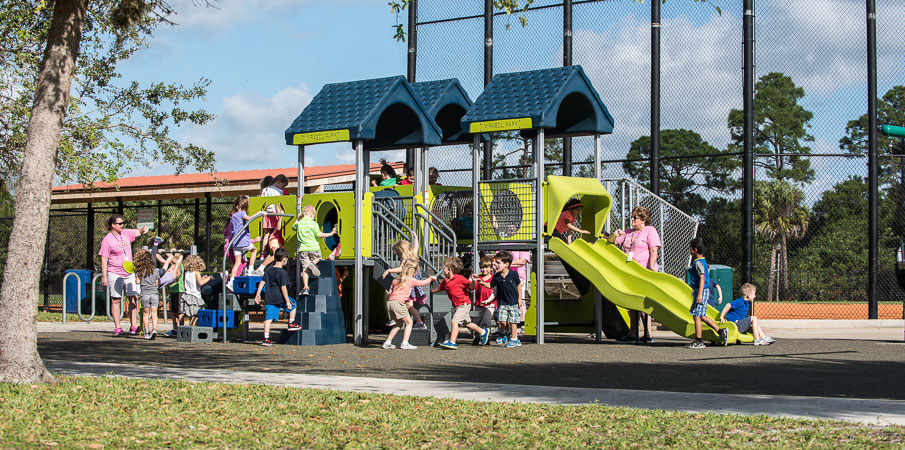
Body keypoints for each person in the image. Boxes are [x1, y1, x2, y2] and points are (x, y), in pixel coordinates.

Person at [610, 205, 662, 344]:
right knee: (631, 304)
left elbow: (653, 250)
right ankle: (632, 333)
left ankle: (648, 334)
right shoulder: (628, 233)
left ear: (643, 220)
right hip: (629, 273)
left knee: (643, 304)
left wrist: (651, 267)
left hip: (643, 271)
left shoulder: (650, 231)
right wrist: (615, 234)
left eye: (635, 218)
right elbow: (611, 242)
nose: (632, 220)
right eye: (632, 217)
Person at [99, 214, 149, 336]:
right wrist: (104, 277)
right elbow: (104, 259)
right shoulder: (107, 240)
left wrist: (143, 230)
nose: (122, 225)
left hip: (129, 272)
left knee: (133, 298)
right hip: (114, 272)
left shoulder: (125, 233)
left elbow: (138, 232)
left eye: (122, 223)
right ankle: (117, 327)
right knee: (116, 299)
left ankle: (133, 326)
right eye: (119, 223)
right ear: (113, 225)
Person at [434, 256, 490, 349]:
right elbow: (438, 289)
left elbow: (471, 286)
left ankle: (452, 342)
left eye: (444, 268)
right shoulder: (446, 281)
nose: (443, 270)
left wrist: (474, 281)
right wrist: (430, 289)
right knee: (467, 323)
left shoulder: (460, 278)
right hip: (457, 306)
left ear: (449, 270)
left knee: (454, 321)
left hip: (464, 305)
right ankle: (483, 332)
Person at [383, 259, 435, 350]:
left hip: (390, 303)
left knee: (398, 324)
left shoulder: (396, 280)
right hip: (399, 303)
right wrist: (430, 279)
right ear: (413, 271)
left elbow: (390, 293)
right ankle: (405, 343)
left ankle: (387, 342)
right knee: (409, 322)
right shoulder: (410, 280)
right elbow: (422, 283)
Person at [475, 251, 523, 348]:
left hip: (513, 302)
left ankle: (514, 339)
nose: (495, 265)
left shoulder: (513, 274)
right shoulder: (497, 276)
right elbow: (490, 285)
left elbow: (518, 285)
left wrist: (520, 299)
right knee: (502, 322)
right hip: (502, 303)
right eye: (495, 263)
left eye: (498, 263)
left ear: (506, 264)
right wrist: (482, 282)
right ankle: (508, 333)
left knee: (513, 321)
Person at [254, 248, 301, 347]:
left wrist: (258, 294)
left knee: (268, 318)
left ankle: (266, 339)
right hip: (280, 297)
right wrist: (287, 301)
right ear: (285, 259)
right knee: (294, 305)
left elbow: (262, 282)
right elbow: (283, 288)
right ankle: (291, 323)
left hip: (270, 298)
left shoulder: (268, 270)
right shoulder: (282, 273)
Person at [686, 237, 728, 348]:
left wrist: (699, 294)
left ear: (695, 250)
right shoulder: (702, 261)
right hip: (701, 291)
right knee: (700, 315)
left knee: (697, 316)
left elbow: (702, 278)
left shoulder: (698, 263)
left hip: (701, 291)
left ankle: (699, 340)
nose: (690, 250)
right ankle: (720, 331)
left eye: (691, 248)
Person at [381, 239, 427, 329]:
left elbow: (401, 269)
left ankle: (418, 322)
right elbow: (416, 246)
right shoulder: (413, 254)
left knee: (403, 303)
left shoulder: (405, 259)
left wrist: (389, 270)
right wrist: (415, 237)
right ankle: (417, 321)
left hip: (408, 284)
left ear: (402, 251)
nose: (398, 256)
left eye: (398, 254)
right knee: (407, 304)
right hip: (413, 284)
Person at [292, 204, 338, 296]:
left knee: (305, 269)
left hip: (303, 249)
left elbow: (293, 227)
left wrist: (298, 218)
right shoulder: (313, 224)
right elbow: (319, 235)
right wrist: (331, 233)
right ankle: (313, 263)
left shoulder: (300, 223)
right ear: (312, 214)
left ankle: (305, 288)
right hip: (313, 247)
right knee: (318, 257)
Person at [225, 196, 261, 292]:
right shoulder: (242, 213)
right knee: (254, 250)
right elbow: (248, 218)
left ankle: (231, 281)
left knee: (237, 263)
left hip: (235, 243)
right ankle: (250, 270)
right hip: (243, 241)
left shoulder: (233, 216)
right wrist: (259, 213)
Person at [259, 174, 289, 268]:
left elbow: (261, 199)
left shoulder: (266, 189)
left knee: (267, 233)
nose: (282, 187)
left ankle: (263, 252)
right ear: (279, 182)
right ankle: (271, 250)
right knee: (275, 231)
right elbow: (278, 203)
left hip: (266, 214)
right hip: (274, 214)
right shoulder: (278, 191)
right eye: (283, 185)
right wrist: (280, 214)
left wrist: (262, 208)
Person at [132, 249, 163, 340]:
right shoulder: (155, 271)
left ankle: (146, 333)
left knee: (146, 314)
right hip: (154, 294)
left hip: (144, 294)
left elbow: (137, 282)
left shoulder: (140, 272)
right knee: (154, 313)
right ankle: (154, 329)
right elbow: (157, 283)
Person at [181, 255, 211, 327]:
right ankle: (191, 328)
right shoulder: (196, 272)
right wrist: (209, 278)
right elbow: (200, 283)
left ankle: (190, 328)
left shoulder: (187, 273)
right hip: (195, 295)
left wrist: (202, 278)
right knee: (196, 313)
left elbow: (195, 281)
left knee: (191, 314)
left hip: (187, 295)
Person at [472, 256, 497, 335]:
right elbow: (472, 287)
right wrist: (472, 281)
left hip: (490, 304)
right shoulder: (478, 278)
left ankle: (487, 337)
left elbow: (493, 288)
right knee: (476, 321)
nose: (484, 270)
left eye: (486, 267)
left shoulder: (493, 278)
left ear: (491, 268)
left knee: (486, 320)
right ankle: (477, 336)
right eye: (482, 268)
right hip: (479, 303)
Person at [165, 251, 185, 337]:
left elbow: (175, 260)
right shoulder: (171, 266)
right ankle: (175, 329)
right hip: (172, 290)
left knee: (180, 311)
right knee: (173, 311)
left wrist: (166, 253)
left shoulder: (179, 265)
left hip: (179, 290)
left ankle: (181, 329)